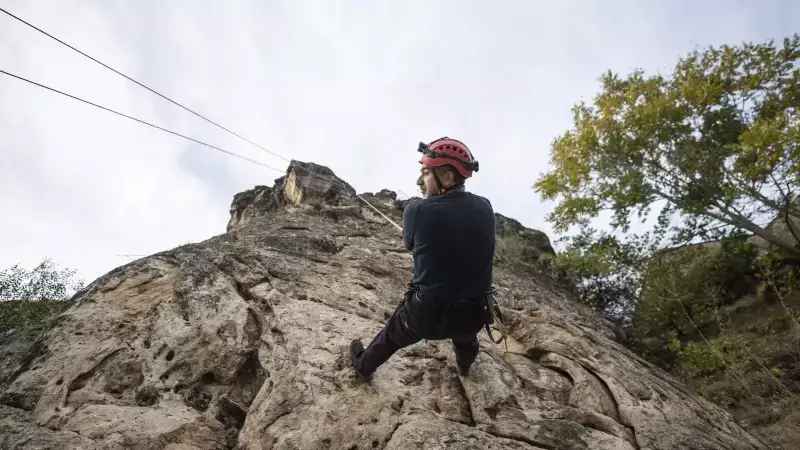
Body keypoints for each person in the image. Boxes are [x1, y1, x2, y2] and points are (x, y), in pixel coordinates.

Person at [349, 136, 496, 381]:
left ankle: (364, 365)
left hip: (425, 316)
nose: (420, 180)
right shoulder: (485, 207)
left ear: (448, 178)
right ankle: (464, 365)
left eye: (426, 172)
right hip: (471, 315)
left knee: (390, 338)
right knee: (467, 340)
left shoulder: (417, 210)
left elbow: (410, 244)